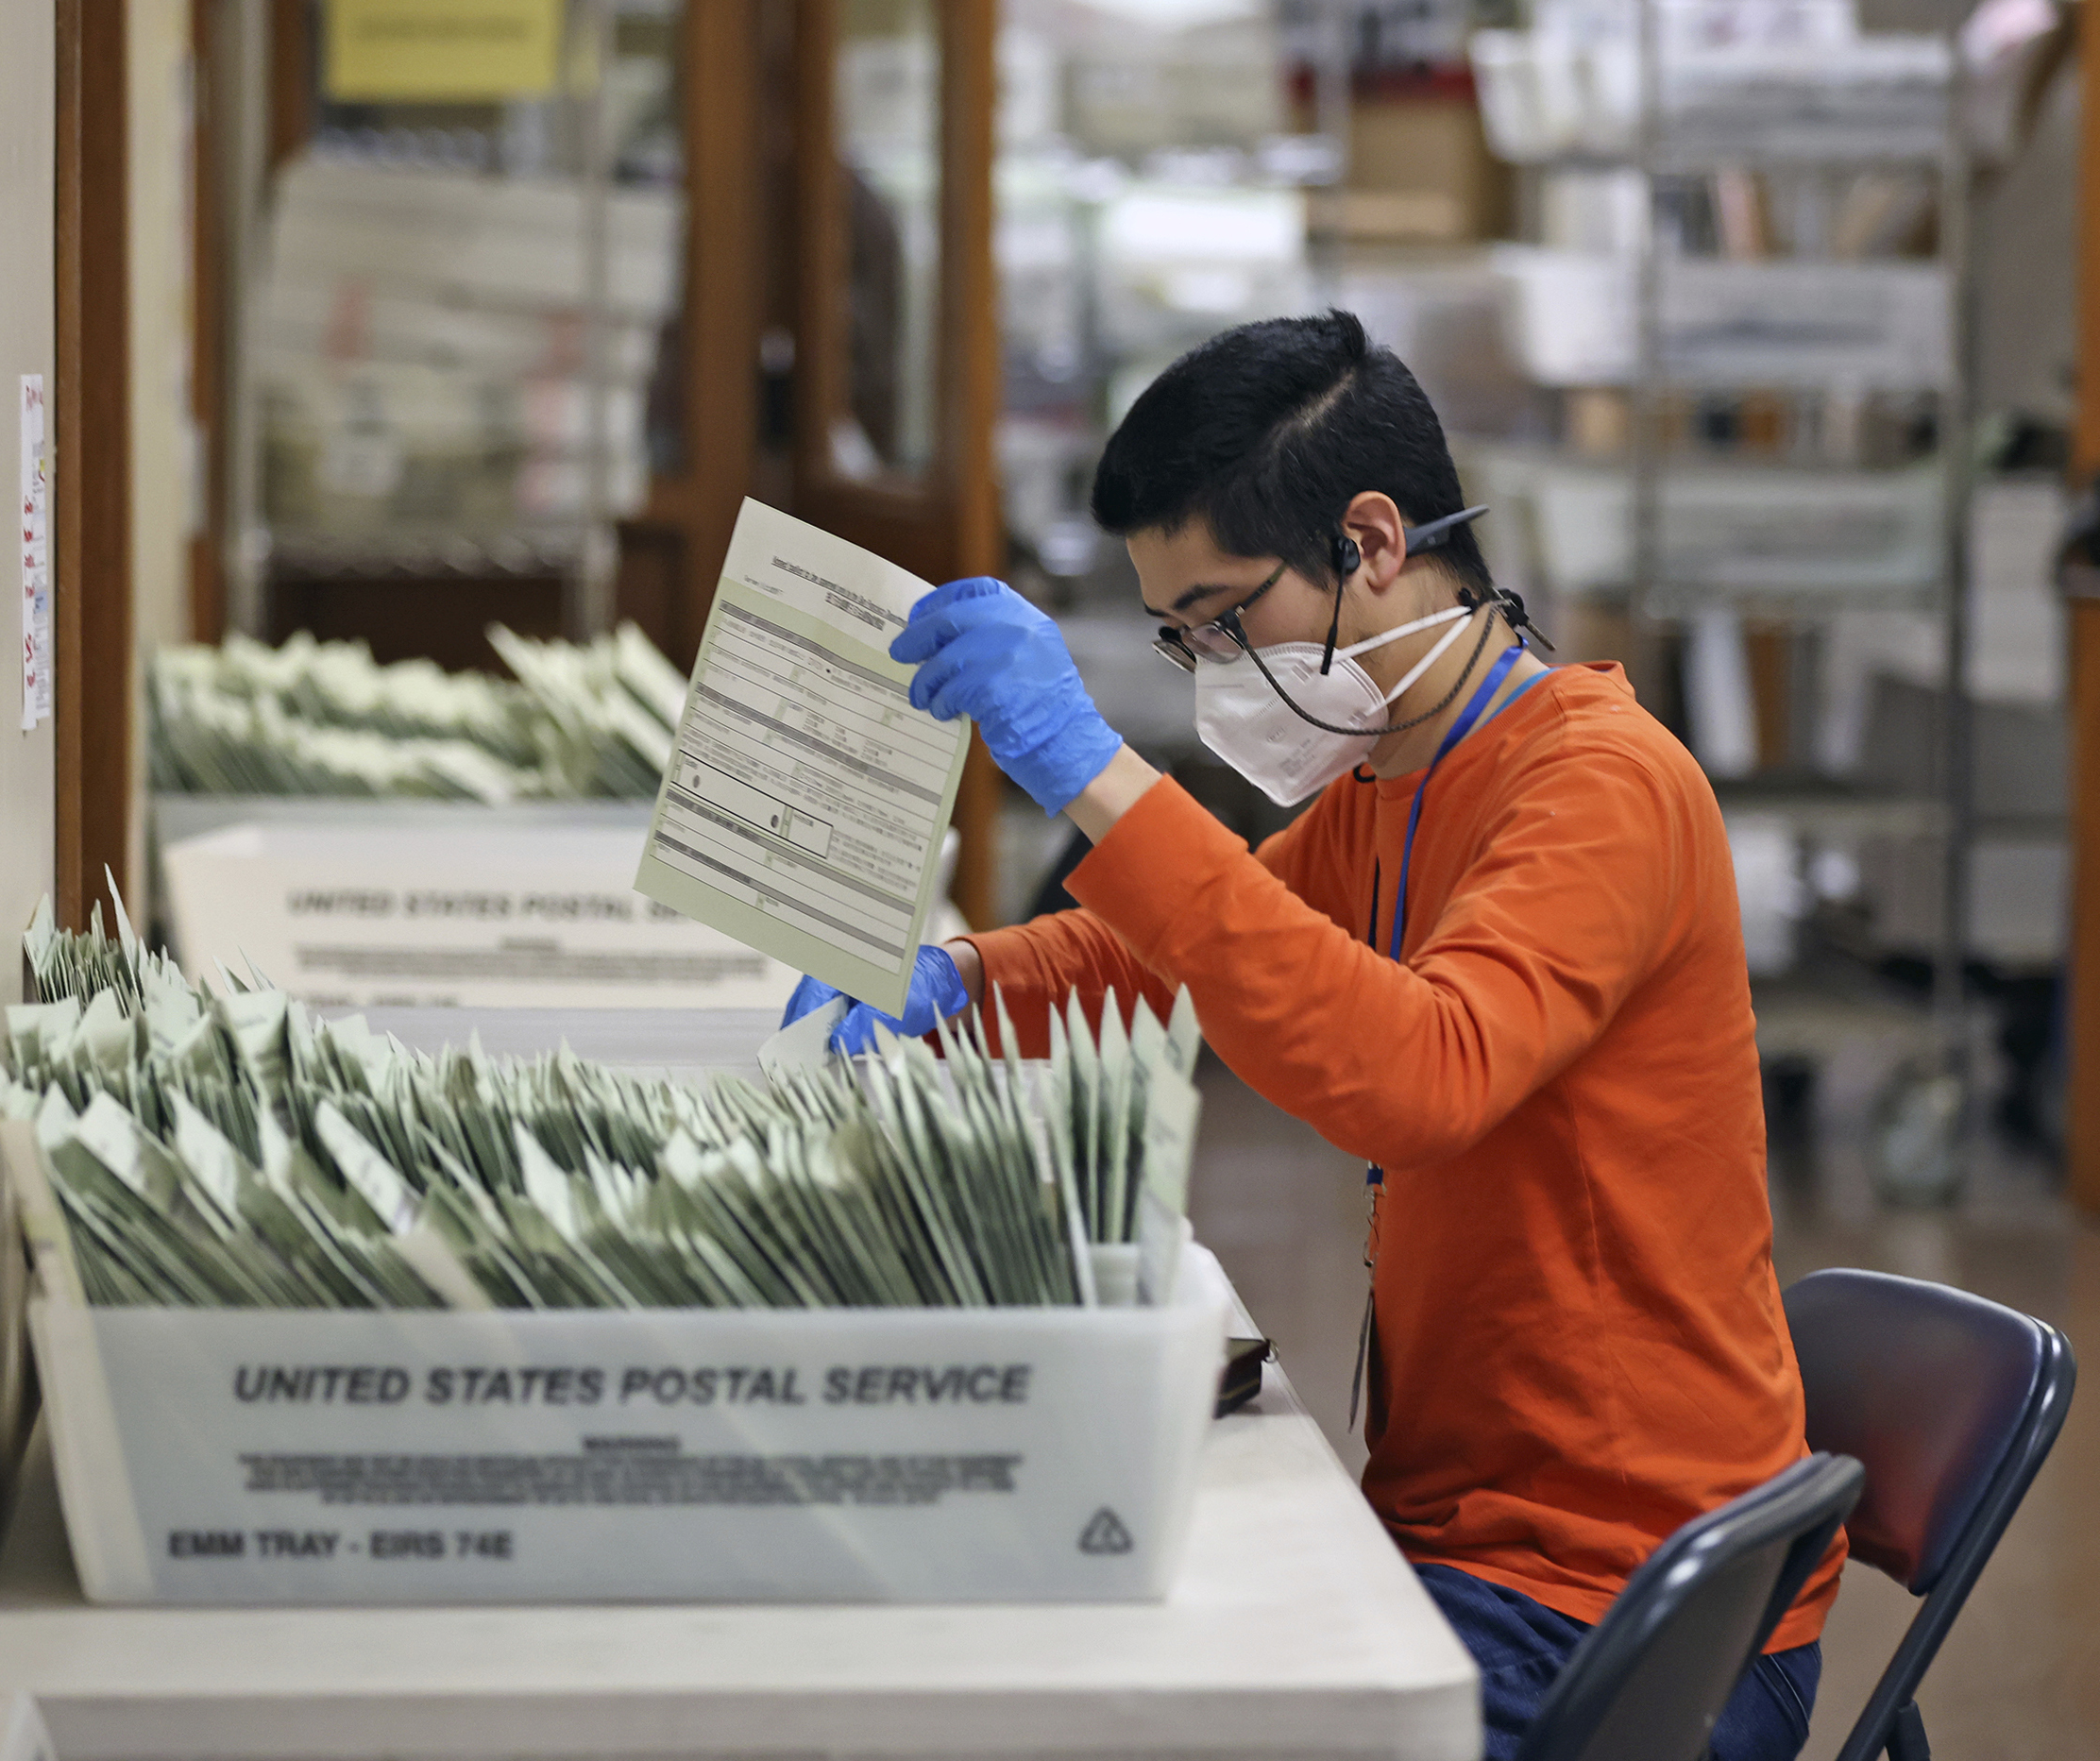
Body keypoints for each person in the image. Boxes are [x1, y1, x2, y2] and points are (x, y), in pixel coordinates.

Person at [780, 311, 1839, 1761]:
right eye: (1179, 635)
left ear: (1372, 540)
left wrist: (1093, 774)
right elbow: (1180, 950)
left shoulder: (1603, 786)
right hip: (1469, 1531)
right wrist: (962, 979)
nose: (1210, 665)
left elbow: (1420, 1075)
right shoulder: (1390, 784)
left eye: (1224, 617)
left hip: (1629, 1595)